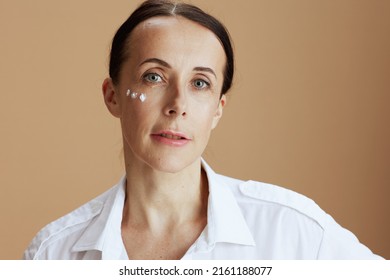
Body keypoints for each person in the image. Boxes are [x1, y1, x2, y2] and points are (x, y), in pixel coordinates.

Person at [23, 0, 383, 260]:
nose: (177, 103)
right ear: (113, 95)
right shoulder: (53, 254)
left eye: (200, 84)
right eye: (154, 77)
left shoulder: (295, 232)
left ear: (217, 109)